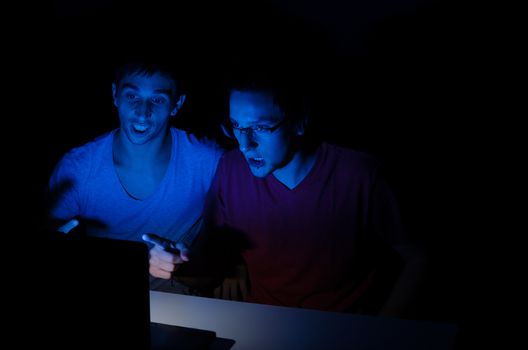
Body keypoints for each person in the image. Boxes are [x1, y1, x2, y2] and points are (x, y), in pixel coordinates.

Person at [149, 69, 428, 317]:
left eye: (260, 127)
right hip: (267, 326)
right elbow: (212, 265)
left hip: (347, 330)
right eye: (236, 126)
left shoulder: (360, 175)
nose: (245, 144)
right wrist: (178, 264)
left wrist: (383, 330)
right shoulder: (231, 169)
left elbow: (419, 257)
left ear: (299, 121)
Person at [46, 57, 224, 294]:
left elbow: (243, 228)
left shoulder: (208, 161)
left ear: (177, 103)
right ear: (115, 95)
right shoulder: (76, 168)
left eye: (158, 100)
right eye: (132, 96)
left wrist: (233, 261)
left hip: (184, 308)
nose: (143, 112)